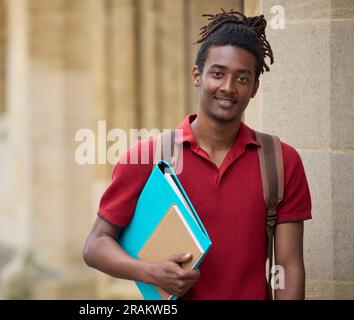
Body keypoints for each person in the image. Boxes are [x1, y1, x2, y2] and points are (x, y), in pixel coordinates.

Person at [83, 9, 312, 300]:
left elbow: (288, 266)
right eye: (218, 74)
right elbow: (95, 245)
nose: (228, 87)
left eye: (242, 78)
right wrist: (150, 271)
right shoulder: (146, 157)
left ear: (254, 88)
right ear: (197, 75)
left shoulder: (280, 162)